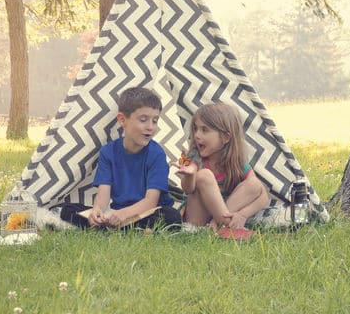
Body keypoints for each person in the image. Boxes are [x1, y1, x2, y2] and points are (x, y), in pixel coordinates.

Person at [60, 86, 182, 230]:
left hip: (147, 212)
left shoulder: (157, 154)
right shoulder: (108, 152)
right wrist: (97, 210)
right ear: (122, 120)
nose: (151, 127)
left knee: (171, 217)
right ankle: (112, 226)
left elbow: (151, 201)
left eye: (155, 121)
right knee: (67, 209)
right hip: (117, 212)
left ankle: (113, 228)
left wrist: (123, 214)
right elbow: (103, 194)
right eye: (143, 120)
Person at [173, 103, 270, 230]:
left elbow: (262, 195)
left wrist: (242, 215)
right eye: (195, 128)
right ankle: (228, 225)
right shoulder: (195, 156)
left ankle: (218, 223)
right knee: (204, 175)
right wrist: (190, 175)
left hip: (222, 211)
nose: (197, 135)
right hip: (197, 219)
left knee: (254, 183)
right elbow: (187, 189)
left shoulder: (236, 162)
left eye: (204, 130)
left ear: (225, 137)